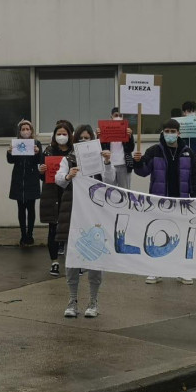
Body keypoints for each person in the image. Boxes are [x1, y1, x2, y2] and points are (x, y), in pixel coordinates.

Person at [55, 124, 115, 318]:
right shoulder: (68, 159)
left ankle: (93, 301)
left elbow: (110, 180)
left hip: (93, 215)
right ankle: (72, 301)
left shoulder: (99, 159)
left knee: (95, 257)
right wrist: (67, 175)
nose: (84, 141)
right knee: (71, 257)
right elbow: (59, 180)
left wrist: (106, 162)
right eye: (81, 138)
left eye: (88, 138)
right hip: (71, 214)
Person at [133, 119, 196, 285]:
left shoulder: (188, 152)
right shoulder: (154, 151)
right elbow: (142, 172)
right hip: (160, 201)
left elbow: (194, 178)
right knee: (157, 234)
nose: (170, 134)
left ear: (179, 133)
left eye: (173, 131)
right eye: (167, 131)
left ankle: (182, 270)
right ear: (162, 132)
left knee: (181, 236)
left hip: (181, 201)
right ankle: (155, 270)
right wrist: (137, 161)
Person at [40, 122, 74, 277]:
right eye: (58, 134)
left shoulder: (74, 152)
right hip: (52, 193)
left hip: (70, 193)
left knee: (71, 229)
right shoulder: (48, 151)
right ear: (54, 136)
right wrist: (41, 170)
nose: (61, 136)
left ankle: (73, 263)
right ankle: (54, 262)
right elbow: (42, 176)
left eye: (64, 133)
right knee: (53, 228)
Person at [7, 119, 43, 246]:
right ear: (19, 131)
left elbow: (40, 160)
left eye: (28, 129)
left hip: (31, 178)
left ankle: (30, 234)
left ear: (31, 131)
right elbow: (10, 161)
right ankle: (23, 235)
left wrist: (37, 152)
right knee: (21, 209)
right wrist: (9, 152)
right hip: (18, 179)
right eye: (23, 129)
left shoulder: (37, 143)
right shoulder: (16, 143)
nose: (25, 131)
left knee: (31, 208)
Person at [97, 108, 134, 189]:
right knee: (109, 190)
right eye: (116, 115)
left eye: (120, 115)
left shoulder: (127, 130)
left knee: (124, 191)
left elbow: (131, 149)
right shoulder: (105, 129)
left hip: (124, 164)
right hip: (110, 165)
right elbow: (101, 148)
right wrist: (99, 136)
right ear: (111, 117)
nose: (118, 117)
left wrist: (130, 137)